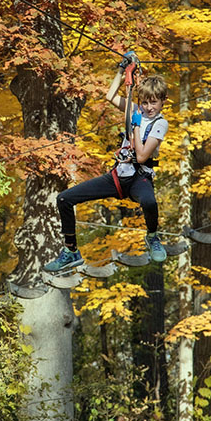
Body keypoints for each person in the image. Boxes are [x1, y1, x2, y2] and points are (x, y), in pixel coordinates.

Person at [44, 57, 169, 274]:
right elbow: (110, 96)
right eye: (145, 102)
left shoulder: (160, 124)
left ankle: (152, 236)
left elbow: (141, 156)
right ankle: (71, 250)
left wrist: (137, 125)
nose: (149, 107)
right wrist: (122, 71)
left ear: (162, 102)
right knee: (64, 198)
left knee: (149, 201)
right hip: (118, 176)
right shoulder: (135, 109)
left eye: (154, 102)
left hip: (139, 178)